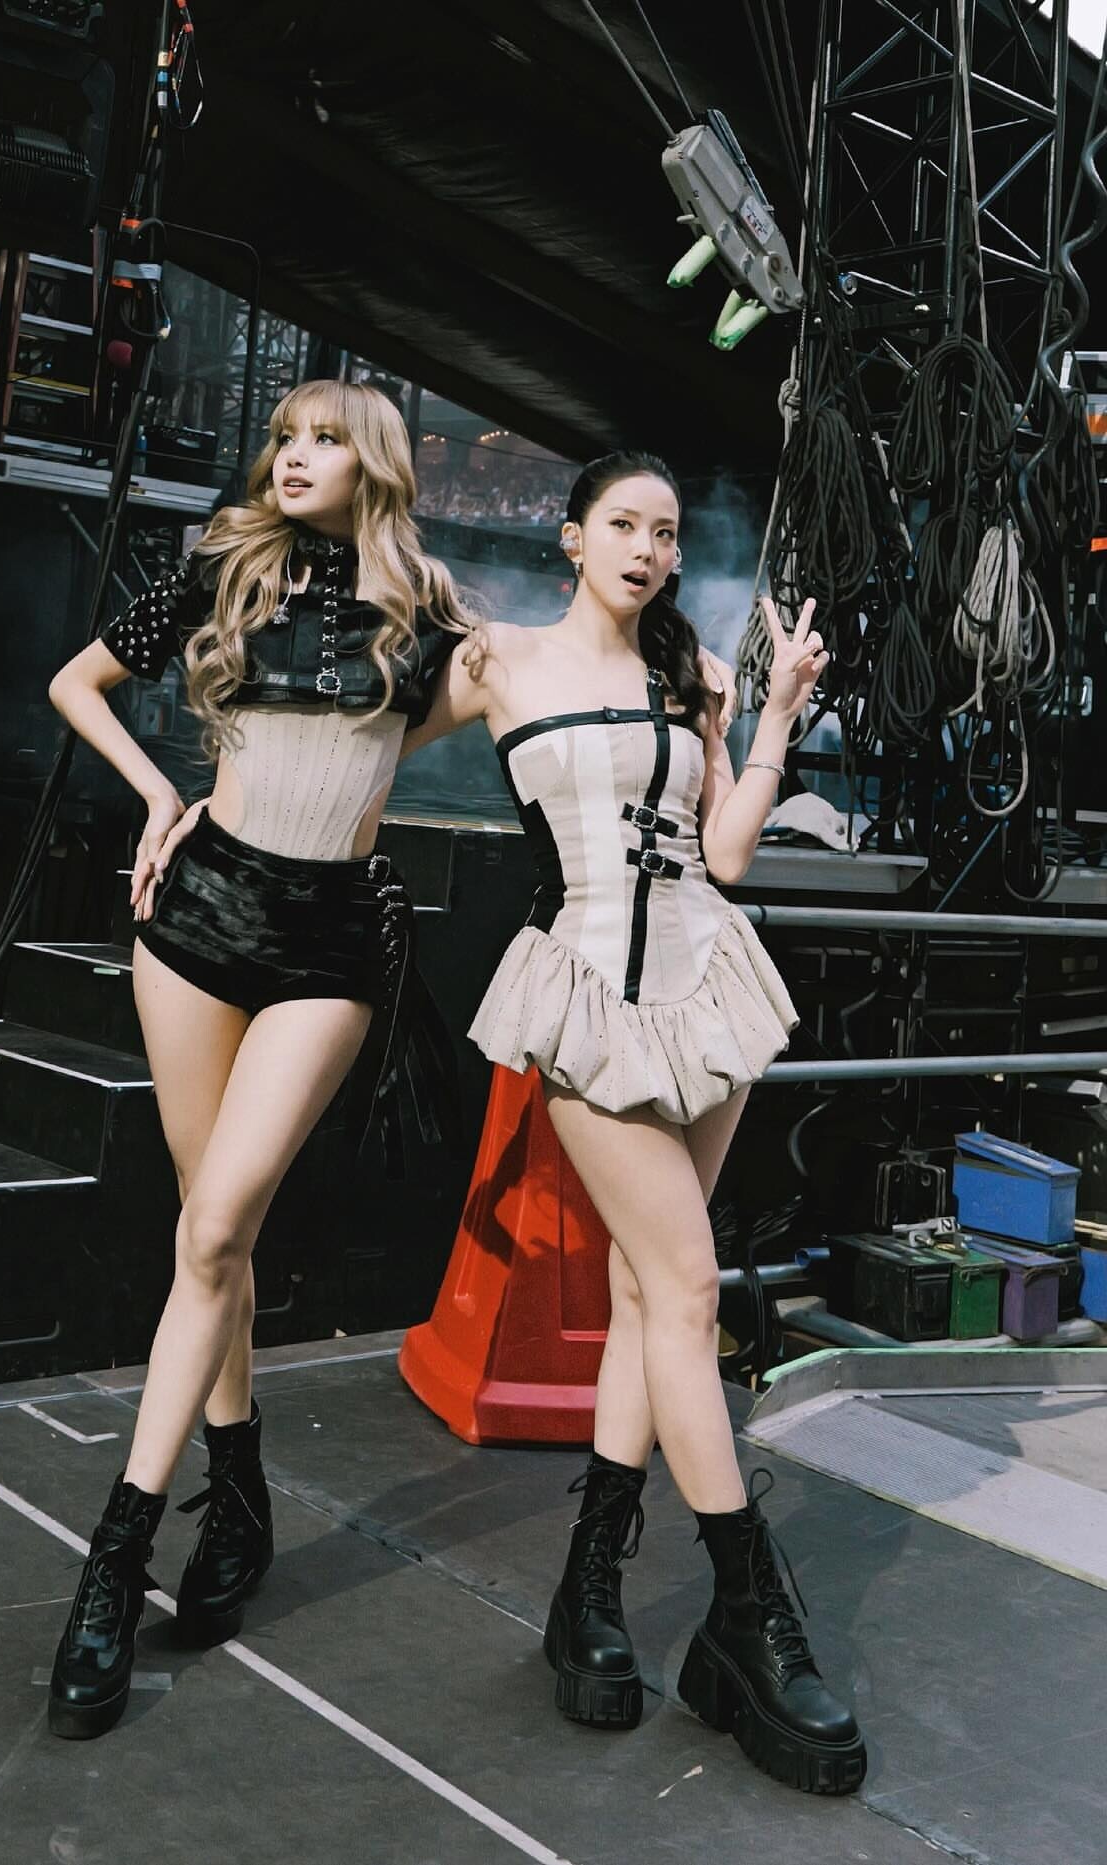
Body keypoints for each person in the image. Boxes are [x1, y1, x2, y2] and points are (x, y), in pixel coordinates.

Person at [401, 450, 867, 1796]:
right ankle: (747, 1612)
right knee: (685, 1288)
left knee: (636, 1293)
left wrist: (773, 712)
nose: (650, 548)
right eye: (624, 523)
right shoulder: (499, 659)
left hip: (707, 983)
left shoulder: (693, 673)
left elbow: (725, 853)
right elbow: (365, 745)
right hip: (590, 993)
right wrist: (224, 803)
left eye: (666, 530)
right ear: (572, 537)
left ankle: (590, 1589)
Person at [42, 380, 473, 1738]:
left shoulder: (429, 615)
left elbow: (532, 688)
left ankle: (115, 1559)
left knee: (220, 1225)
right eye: (285, 438)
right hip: (197, 917)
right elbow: (75, 682)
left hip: (328, 942)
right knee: (207, 1236)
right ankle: (235, 1489)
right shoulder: (224, 571)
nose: (293, 458)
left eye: (325, 440)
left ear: (375, 464)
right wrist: (160, 793)